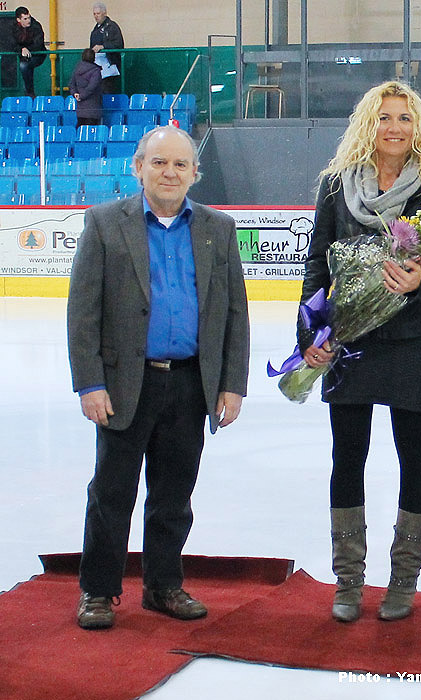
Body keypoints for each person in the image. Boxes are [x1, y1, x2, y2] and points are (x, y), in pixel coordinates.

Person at [67, 125, 250, 630]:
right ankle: (98, 591)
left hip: (191, 385)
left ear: (195, 172)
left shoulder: (218, 228)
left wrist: (232, 383)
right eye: (159, 162)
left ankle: (163, 586)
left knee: (173, 496)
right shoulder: (105, 223)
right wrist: (90, 383)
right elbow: (83, 312)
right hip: (125, 384)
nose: (170, 172)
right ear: (138, 167)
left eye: (180, 164)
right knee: (112, 495)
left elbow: (234, 311)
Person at [298, 81, 421, 623]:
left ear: (418, 127)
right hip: (351, 344)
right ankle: (348, 581)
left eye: (404, 118)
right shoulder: (335, 186)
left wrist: (420, 283)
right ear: (369, 123)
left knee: (416, 455)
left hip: (411, 344)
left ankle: (404, 580)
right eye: (385, 117)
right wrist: (309, 334)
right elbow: (317, 263)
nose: (394, 127)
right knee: (348, 457)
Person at [90, 2, 123, 94]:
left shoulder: (112, 27)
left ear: (104, 13)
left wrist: (103, 46)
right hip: (97, 66)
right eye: (94, 14)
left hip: (110, 66)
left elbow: (118, 44)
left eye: (98, 13)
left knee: (107, 90)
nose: (96, 16)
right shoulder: (95, 30)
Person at [12, 7, 45, 99]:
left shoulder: (36, 26)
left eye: (29, 18)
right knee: (24, 66)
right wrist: (22, 49)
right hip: (22, 55)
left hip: (38, 55)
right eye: (25, 19)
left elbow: (38, 44)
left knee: (24, 66)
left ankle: (29, 92)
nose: (28, 21)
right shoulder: (14, 28)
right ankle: (29, 92)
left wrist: (27, 49)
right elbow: (12, 44)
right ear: (18, 20)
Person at [69, 48, 103, 126]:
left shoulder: (77, 69)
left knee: (81, 129)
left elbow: (71, 84)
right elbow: (92, 87)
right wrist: (81, 96)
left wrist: (75, 94)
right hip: (93, 108)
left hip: (80, 110)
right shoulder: (96, 71)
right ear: (94, 58)